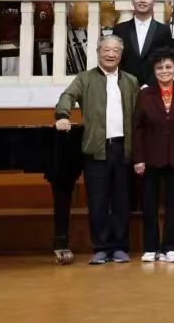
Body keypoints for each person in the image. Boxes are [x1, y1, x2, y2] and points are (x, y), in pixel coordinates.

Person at [54, 35, 139, 265]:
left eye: (115, 51)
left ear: (121, 54)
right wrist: (63, 115)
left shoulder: (131, 81)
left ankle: (120, 247)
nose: (111, 54)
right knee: (98, 202)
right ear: (98, 52)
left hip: (123, 148)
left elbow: (139, 113)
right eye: (106, 50)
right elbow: (67, 96)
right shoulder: (85, 78)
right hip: (96, 149)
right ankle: (101, 248)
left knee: (122, 202)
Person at [133, 48, 174, 263]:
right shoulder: (144, 94)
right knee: (149, 204)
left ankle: (170, 247)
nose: (164, 71)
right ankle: (151, 247)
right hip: (150, 159)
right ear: (154, 70)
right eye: (159, 67)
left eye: (168, 67)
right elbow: (137, 128)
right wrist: (138, 158)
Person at [113, 0, 174, 88]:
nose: (142, 0)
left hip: (153, 88)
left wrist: (149, 84)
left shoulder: (163, 30)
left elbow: (165, 60)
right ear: (132, 1)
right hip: (125, 87)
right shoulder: (120, 29)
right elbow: (116, 60)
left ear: (153, 2)